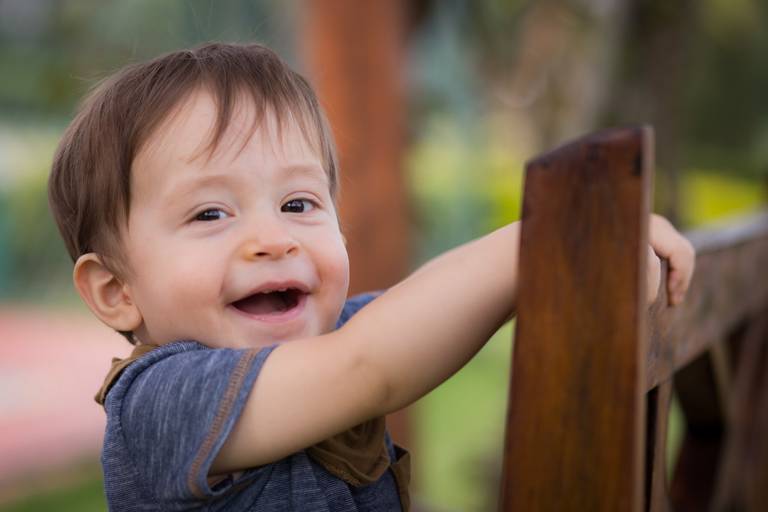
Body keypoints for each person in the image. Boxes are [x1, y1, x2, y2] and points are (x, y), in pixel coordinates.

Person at [48, 42, 694, 511]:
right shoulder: (160, 402)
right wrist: (549, 237)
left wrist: (599, 246)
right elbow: (371, 365)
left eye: (298, 204)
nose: (272, 240)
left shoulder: (343, 335)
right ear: (117, 291)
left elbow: (444, 308)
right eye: (211, 213)